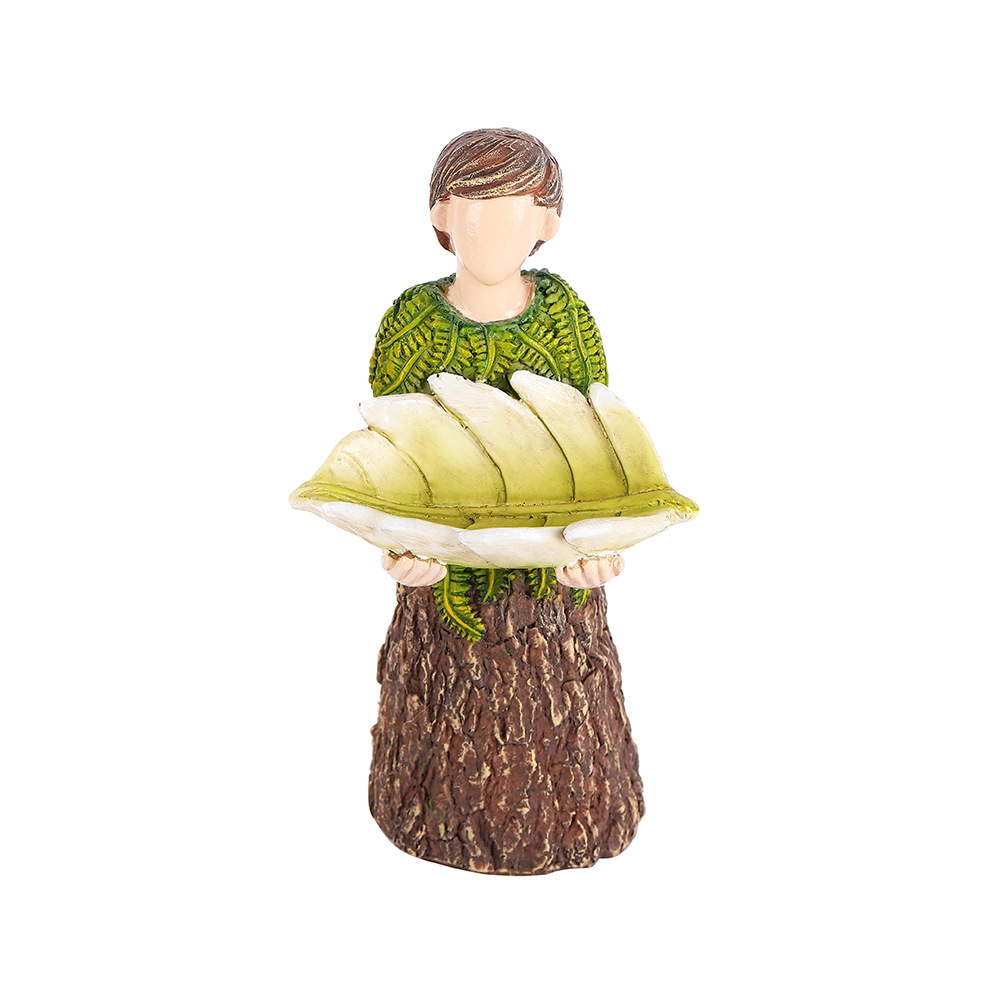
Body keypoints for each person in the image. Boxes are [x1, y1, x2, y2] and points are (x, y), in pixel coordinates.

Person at [369, 128, 624, 616]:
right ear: (442, 214)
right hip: (443, 586)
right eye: (475, 210)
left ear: (547, 223)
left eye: (511, 214)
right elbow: (391, 448)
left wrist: (599, 546)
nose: (491, 235)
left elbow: (596, 441)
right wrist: (400, 546)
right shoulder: (411, 320)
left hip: (552, 588)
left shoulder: (564, 317)